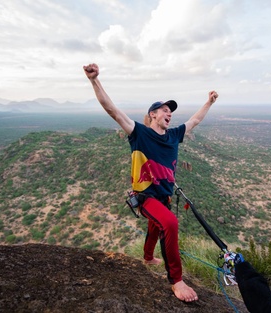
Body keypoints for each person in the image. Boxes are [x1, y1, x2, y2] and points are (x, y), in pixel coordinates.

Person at [83, 63, 218, 302]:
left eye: (171, 111)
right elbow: (112, 110)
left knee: (156, 226)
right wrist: (94, 80)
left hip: (164, 197)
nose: (169, 113)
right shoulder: (139, 132)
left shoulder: (175, 134)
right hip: (146, 198)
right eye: (164, 110)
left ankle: (147, 256)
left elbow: (195, 121)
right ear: (152, 115)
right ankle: (176, 280)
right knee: (170, 223)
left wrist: (209, 102)